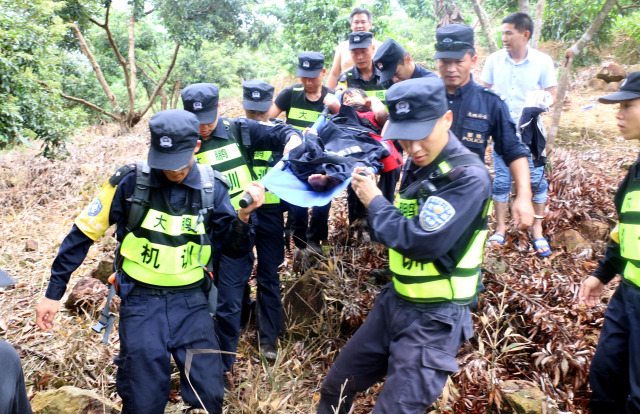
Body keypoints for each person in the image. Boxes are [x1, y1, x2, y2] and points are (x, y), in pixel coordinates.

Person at [35, 109, 266, 413]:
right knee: (142, 400)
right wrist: (54, 293)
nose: (172, 171)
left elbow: (234, 251)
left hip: (193, 305)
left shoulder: (213, 189)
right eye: (164, 161)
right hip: (141, 305)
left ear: (197, 145)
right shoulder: (130, 183)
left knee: (209, 395)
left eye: (179, 163)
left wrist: (244, 217)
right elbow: (81, 234)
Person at [316, 77, 492, 413]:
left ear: (447, 120)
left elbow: (422, 242)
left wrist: (376, 203)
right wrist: (333, 178)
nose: (413, 149)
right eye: (405, 139)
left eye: (421, 136)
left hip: (435, 319)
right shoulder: (420, 163)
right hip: (395, 303)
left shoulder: (467, 178)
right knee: (336, 387)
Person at [182, 83, 302, 365]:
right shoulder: (182, 143)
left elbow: (284, 131)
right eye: (196, 122)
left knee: (268, 274)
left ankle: (268, 337)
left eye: (208, 121)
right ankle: (231, 339)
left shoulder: (239, 129)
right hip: (219, 230)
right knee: (228, 290)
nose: (203, 128)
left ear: (220, 109)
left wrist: (293, 141)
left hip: (260, 215)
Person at [578, 71, 640, 413]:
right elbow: (622, 231)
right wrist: (601, 275)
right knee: (605, 377)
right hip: (627, 295)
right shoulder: (634, 173)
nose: (618, 114)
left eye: (627, 106)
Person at [434, 24, 534, 230]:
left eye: (459, 61)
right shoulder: (425, 96)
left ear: (473, 60)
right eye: (445, 62)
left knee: (466, 256)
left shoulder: (490, 102)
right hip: (428, 190)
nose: (451, 69)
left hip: (470, 193)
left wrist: (524, 195)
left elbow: (513, 151)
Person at [480, 12, 557, 256]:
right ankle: (501, 229)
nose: (504, 37)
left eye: (509, 33)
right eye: (502, 32)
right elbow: (485, 90)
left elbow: (551, 93)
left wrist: (539, 103)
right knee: (502, 180)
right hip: (502, 131)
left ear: (525, 35)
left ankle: (537, 231)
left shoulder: (542, 62)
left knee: (537, 182)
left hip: (532, 130)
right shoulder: (494, 60)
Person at [268, 52, 339, 254]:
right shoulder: (291, 94)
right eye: (304, 76)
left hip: (321, 159)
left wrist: (336, 108)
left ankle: (315, 240)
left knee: (321, 201)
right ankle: (299, 243)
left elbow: (342, 126)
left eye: (313, 76)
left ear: (323, 73)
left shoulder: (330, 98)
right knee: (297, 203)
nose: (308, 81)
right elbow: (269, 119)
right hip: (297, 159)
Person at [326, 7, 382, 90]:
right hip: (348, 95)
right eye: (356, 22)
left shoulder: (380, 46)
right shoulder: (342, 47)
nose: (359, 25)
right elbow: (334, 75)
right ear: (351, 24)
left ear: (370, 24)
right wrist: (328, 96)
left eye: (363, 22)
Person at [335, 31, 387, 103]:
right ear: (350, 53)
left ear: (373, 49)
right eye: (355, 53)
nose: (360, 57)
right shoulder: (345, 79)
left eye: (364, 51)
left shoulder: (386, 74)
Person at [373, 38, 438, 85]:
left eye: (396, 73)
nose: (394, 80)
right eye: (389, 76)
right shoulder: (390, 83)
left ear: (407, 60)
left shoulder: (430, 83)